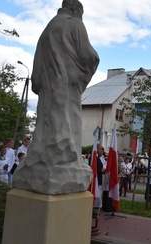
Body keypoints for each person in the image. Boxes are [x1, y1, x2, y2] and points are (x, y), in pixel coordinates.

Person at [13, 0, 99, 194]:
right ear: (76, 9)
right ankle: (64, 160)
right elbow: (89, 56)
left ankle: (40, 156)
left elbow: (37, 60)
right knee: (69, 120)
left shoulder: (49, 27)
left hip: (47, 86)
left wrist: (38, 81)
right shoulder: (74, 23)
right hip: (67, 85)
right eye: (81, 12)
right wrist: (86, 70)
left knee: (46, 121)